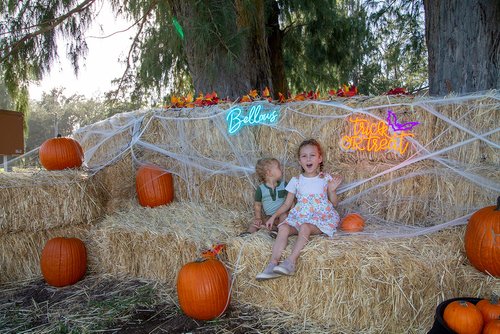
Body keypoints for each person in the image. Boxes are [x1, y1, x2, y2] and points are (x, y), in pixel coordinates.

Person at [256, 139, 342, 280]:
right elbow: (286, 204)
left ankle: (290, 262)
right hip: (301, 215)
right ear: (300, 161)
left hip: (319, 219)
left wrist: (332, 190)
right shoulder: (296, 180)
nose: (308, 159)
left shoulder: (325, 178)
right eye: (304, 156)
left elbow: (335, 203)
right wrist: (273, 217)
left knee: (305, 227)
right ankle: (272, 264)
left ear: (320, 159)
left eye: (312, 155)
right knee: (283, 228)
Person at [245, 158, 289, 235]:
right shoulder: (261, 189)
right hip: (268, 216)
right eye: (278, 167)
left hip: (282, 215)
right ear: (269, 173)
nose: (281, 169)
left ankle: (275, 231)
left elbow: (291, 199)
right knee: (255, 223)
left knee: (284, 216)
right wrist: (258, 218)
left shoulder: (284, 185)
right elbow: (257, 204)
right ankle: (248, 233)